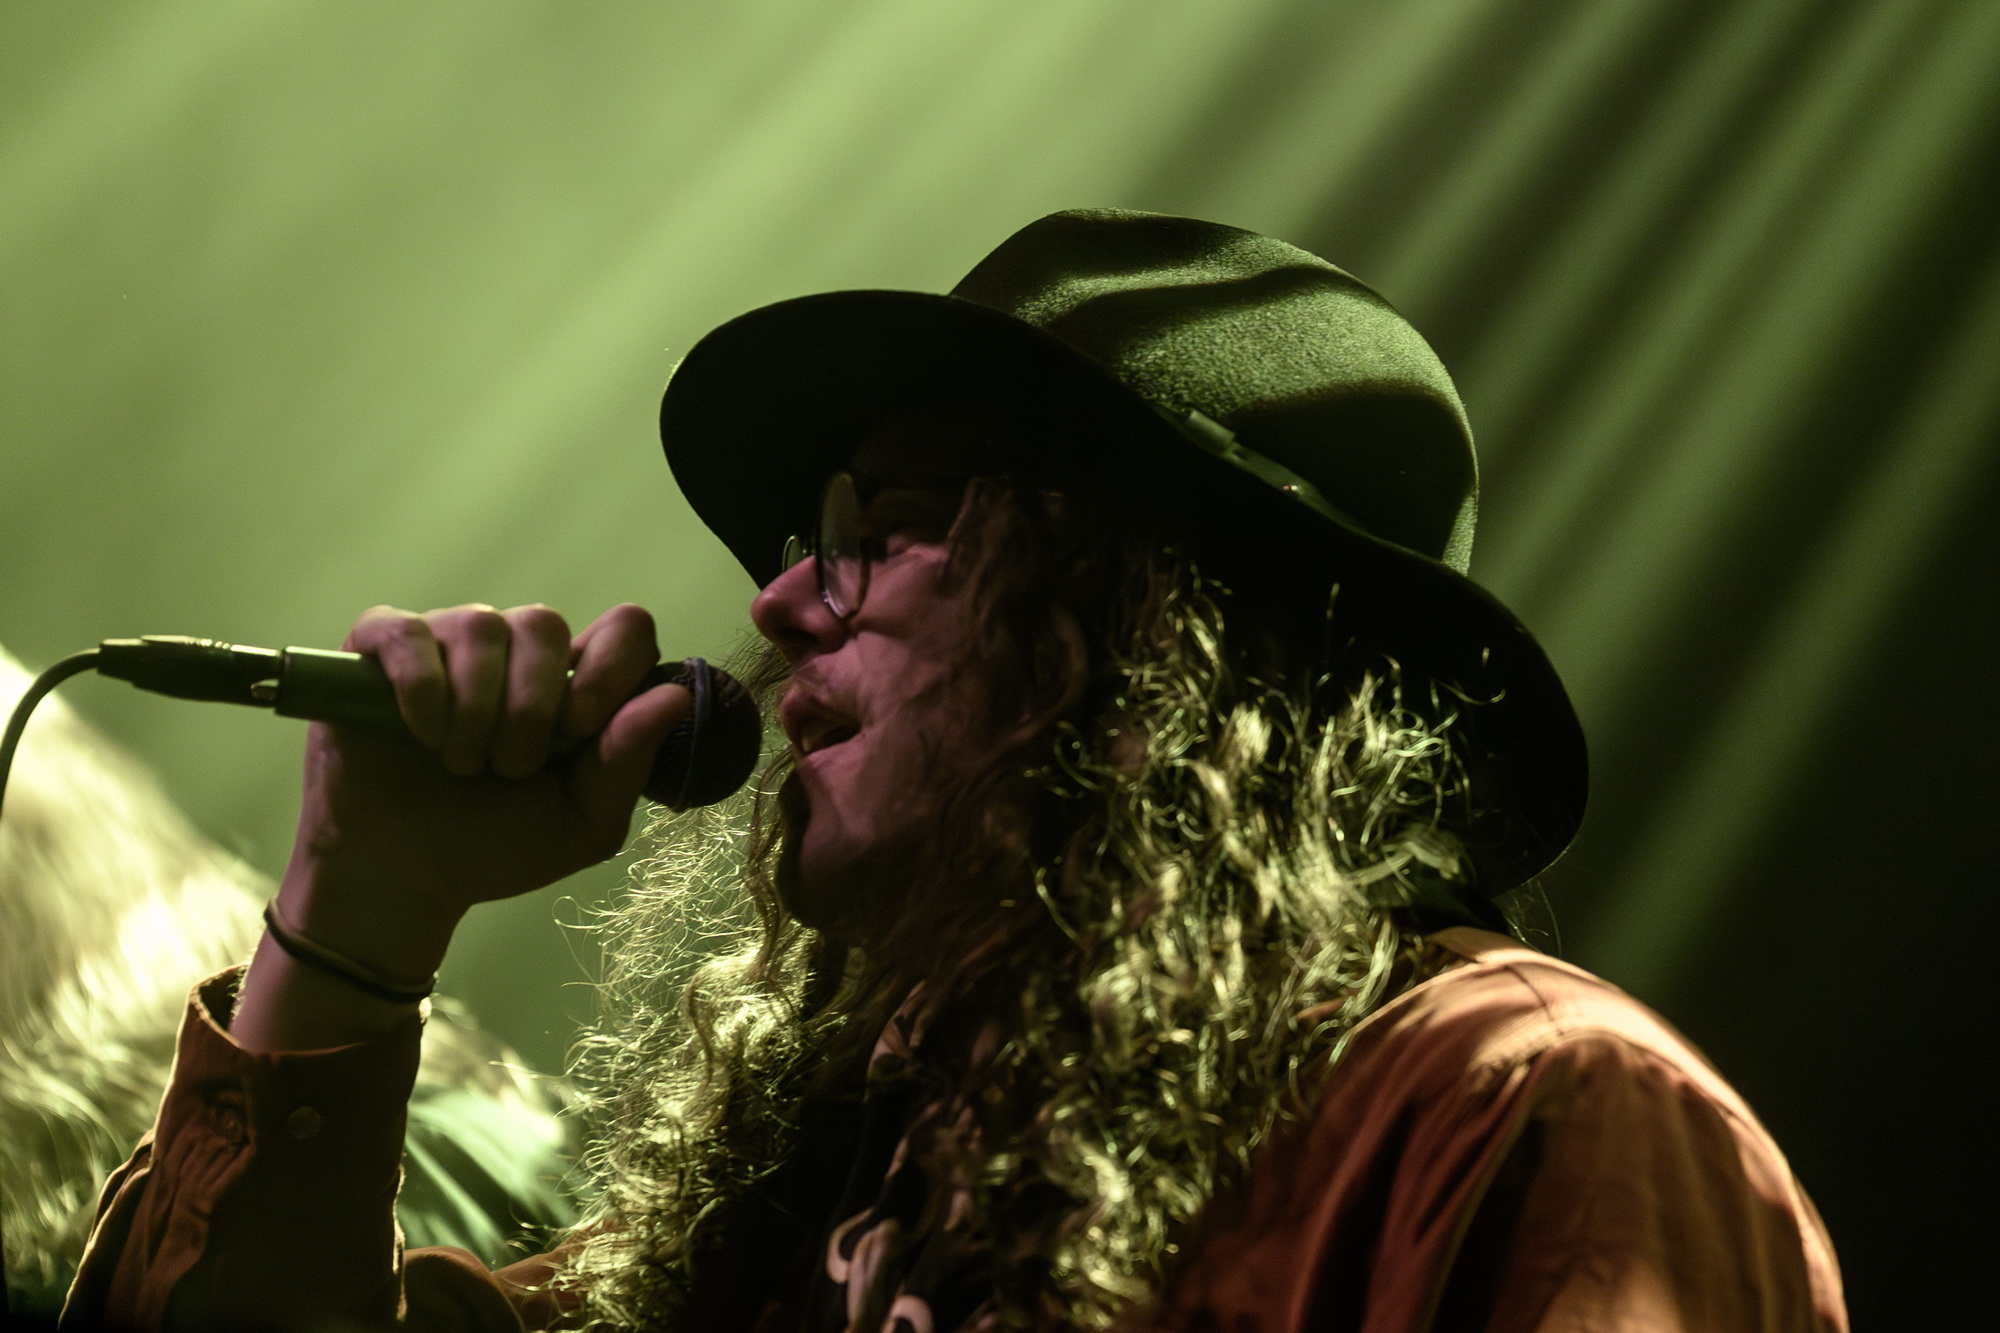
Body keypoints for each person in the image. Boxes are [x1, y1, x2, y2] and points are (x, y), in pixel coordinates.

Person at [63, 209, 1846, 1331]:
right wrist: (357, 915)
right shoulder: (837, 1174)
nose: (777, 604)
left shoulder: (1525, 1110)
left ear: (1155, 617)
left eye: (888, 522)